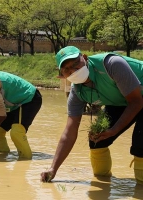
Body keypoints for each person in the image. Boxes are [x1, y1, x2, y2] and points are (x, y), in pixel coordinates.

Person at [40, 46, 143, 184]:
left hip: (137, 97)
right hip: (123, 100)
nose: (73, 70)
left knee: (140, 143)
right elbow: (69, 132)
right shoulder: (77, 92)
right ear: (61, 74)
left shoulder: (111, 64)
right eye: (66, 69)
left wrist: (114, 130)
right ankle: (103, 182)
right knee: (97, 139)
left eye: (76, 63)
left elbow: (136, 102)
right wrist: (53, 169)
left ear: (85, 58)